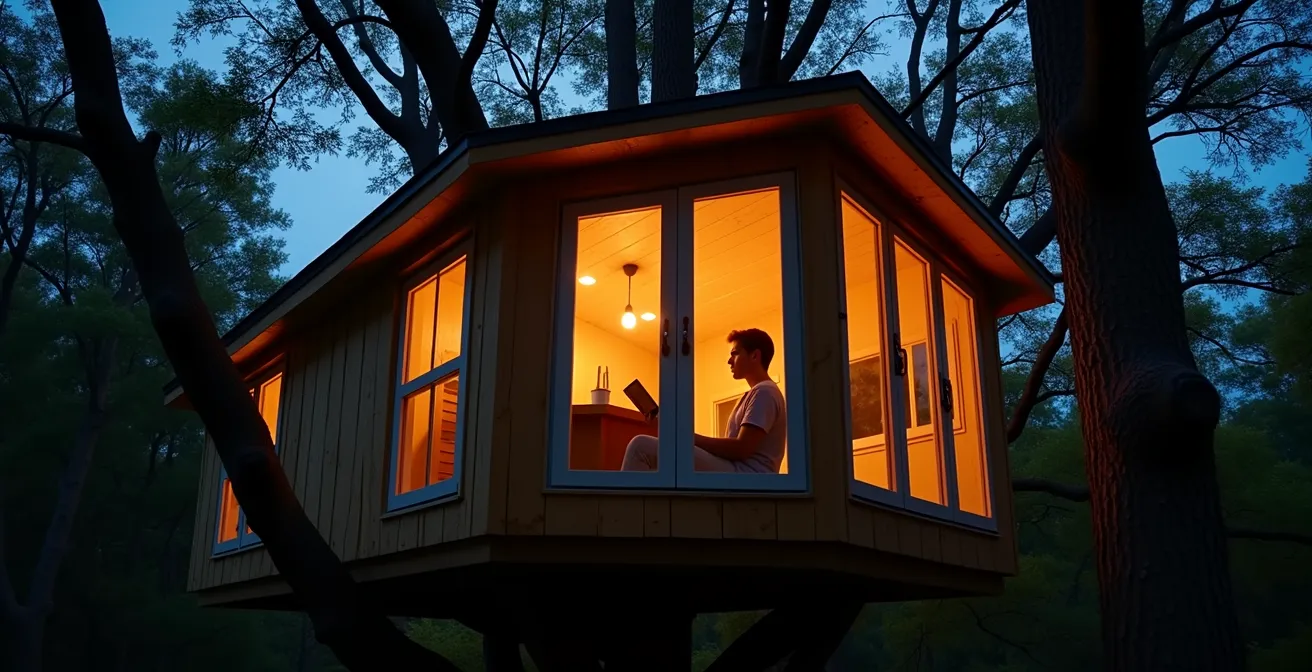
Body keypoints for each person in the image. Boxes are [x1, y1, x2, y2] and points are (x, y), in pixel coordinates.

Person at [620, 328, 786, 473]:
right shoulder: (758, 393)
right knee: (653, 459)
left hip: (748, 476)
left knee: (640, 446)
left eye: (735, 353)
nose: (729, 361)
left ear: (755, 356)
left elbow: (741, 449)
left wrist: (683, 436)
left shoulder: (765, 392)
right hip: (739, 471)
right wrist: (674, 433)